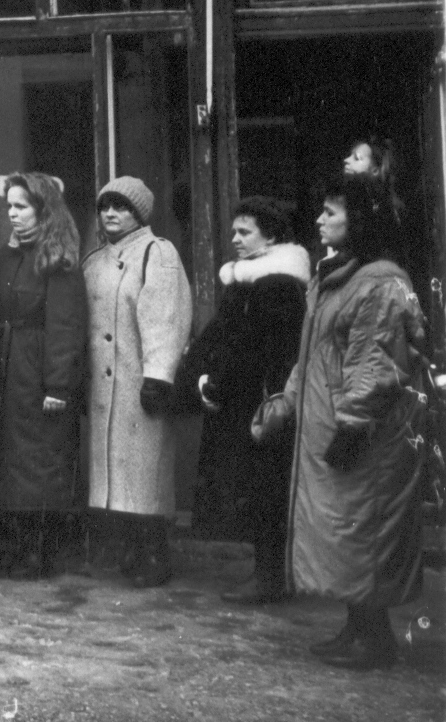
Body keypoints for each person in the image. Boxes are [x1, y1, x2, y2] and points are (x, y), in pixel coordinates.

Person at [257, 173, 428, 670]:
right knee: (347, 533)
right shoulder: (340, 275)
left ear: (361, 219)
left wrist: (352, 425)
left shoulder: (378, 281)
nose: (319, 219)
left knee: (365, 529)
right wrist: (287, 402)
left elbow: (377, 362)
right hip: (336, 425)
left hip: (367, 435)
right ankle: (357, 627)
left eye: (331, 211)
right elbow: (315, 354)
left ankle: (376, 639)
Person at [177, 196, 309, 605]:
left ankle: (270, 579)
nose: (234, 238)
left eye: (244, 232)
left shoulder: (278, 284)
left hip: (261, 402)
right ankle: (269, 575)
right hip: (245, 398)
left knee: (266, 488)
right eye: (233, 231)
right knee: (257, 487)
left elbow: (253, 346)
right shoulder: (250, 280)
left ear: (270, 236)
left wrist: (213, 381)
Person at [0, 173, 87, 579]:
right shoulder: (8, 256)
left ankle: (39, 552)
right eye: (10, 207)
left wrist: (58, 385)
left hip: (36, 370)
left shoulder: (58, 261)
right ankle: (17, 545)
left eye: (22, 207)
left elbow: (65, 327)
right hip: (7, 366)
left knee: (38, 460)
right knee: (11, 459)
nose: (13, 215)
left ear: (43, 211)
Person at [81, 176, 193, 588]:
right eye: (105, 206)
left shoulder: (156, 253)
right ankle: (129, 546)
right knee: (116, 475)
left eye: (121, 207)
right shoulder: (94, 260)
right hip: (102, 387)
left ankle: (155, 552)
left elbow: (166, 317)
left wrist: (158, 376)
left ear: (140, 213)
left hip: (137, 383)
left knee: (144, 473)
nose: (111, 214)